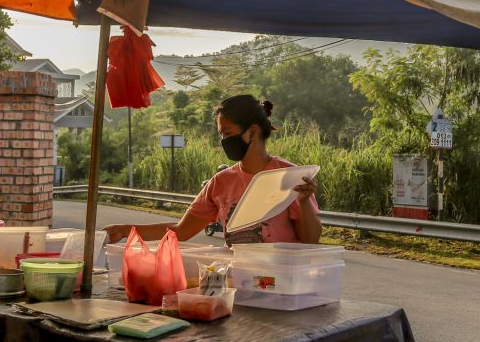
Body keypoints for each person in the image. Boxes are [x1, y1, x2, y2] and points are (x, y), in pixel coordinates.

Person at [104, 95, 321, 245]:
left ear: (252, 132)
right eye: (221, 134)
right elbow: (182, 231)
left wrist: (303, 203)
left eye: (226, 133)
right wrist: (125, 230)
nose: (223, 140)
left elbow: (311, 240)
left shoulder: (289, 177)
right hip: (237, 282)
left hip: (279, 283)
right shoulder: (220, 182)